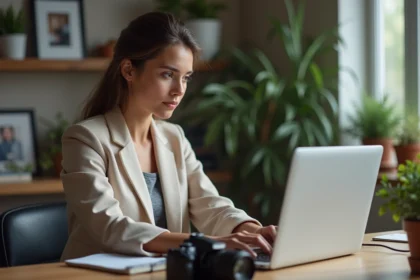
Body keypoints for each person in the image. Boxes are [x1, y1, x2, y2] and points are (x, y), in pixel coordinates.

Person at [60, 11, 277, 261]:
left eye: (185, 77)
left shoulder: (174, 137)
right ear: (129, 70)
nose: (179, 90)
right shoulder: (85, 139)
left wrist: (254, 232)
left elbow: (210, 205)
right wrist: (206, 243)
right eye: (167, 75)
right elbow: (111, 228)